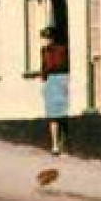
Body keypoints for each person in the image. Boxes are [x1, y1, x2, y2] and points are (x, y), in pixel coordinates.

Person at [39, 26, 70, 154]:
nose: (45, 41)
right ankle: (55, 145)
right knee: (53, 115)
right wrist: (44, 81)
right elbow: (43, 67)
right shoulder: (44, 51)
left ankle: (62, 144)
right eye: (44, 38)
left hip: (61, 78)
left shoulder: (62, 49)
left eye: (47, 38)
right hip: (51, 80)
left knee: (62, 114)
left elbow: (64, 64)